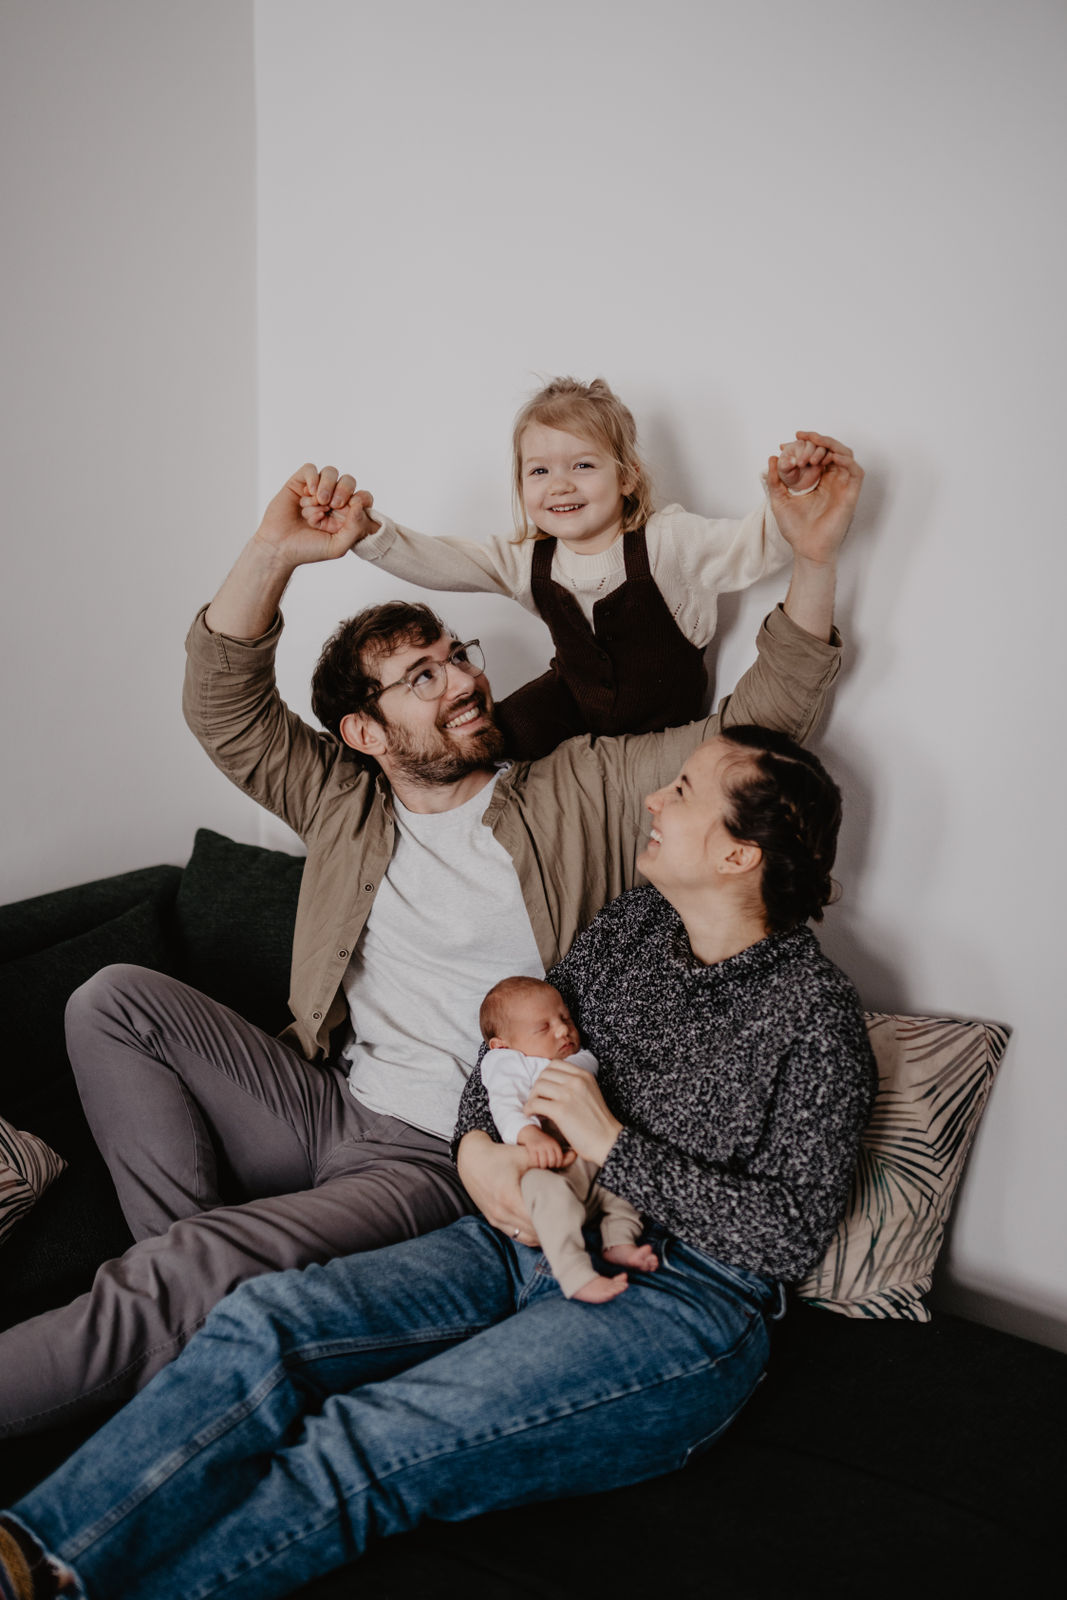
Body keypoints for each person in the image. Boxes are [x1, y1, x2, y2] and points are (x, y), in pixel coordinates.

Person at [0, 428, 862, 1439]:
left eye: (458, 655)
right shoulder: (339, 798)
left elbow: (759, 728)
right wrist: (274, 551)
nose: (460, 679)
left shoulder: (570, 790)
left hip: (427, 1155)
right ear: (365, 734)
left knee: (182, 1269)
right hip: (320, 1099)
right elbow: (221, 703)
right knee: (113, 998)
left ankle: (185, 1291)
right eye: (420, 676)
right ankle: (194, 1306)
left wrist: (811, 560)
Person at [0, 722, 878, 1600]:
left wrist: (615, 1146)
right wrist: (475, 1152)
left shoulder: (813, 1015)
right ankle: (29, 1556)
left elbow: (786, 1233)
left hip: (678, 1298)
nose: (653, 799)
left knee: (361, 1442)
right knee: (262, 1320)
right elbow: (501, 1056)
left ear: (740, 856)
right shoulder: (633, 926)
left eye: (682, 793)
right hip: (514, 1235)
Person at [348, 375, 832, 756]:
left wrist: (800, 493)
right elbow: (448, 561)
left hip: (664, 731)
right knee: (507, 732)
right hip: (573, 703)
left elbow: (754, 544)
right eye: (539, 470)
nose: (559, 485)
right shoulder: (528, 559)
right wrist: (369, 534)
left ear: (627, 477)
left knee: (718, 774)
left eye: (582, 465)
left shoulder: (669, 541)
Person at [479, 974, 655, 1301]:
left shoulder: (581, 1058)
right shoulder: (508, 1065)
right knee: (549, 1196)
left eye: (565, 1019)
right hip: (545, 1170)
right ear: (502, 1045)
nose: (563, 1030)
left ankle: (619, 1242)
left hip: (589, 1164)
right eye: (543, 1028)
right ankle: (576, 1275)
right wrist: (529, 1134)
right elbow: (504, 1105)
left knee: (626, 1179)